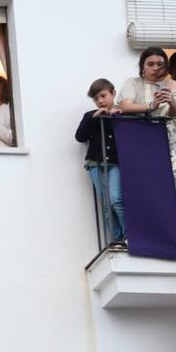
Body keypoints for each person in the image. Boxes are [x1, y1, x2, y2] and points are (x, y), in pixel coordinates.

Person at [75, 78, 124, 245]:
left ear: (113, 93)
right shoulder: (90, 115)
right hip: (96, 164)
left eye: (103, 95)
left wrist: (118, 116)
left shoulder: (123, 113)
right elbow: (80, 137)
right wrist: (94, 118)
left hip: (116, 164)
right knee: (106, 205)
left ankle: (129, 236)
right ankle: (117, 239)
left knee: (116, 199)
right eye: (96, 98)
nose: (100, 101)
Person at [117, 47, 176, 117]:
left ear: (165, 66)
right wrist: (151, 106)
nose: (155, 68)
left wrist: (172, 104)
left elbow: (174, 115)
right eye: (150, 64)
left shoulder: (172, 84)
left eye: (160, 64)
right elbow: (125, 107)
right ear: (142, 66)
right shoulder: (132, 82)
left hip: (167, 126)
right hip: (139, 125)